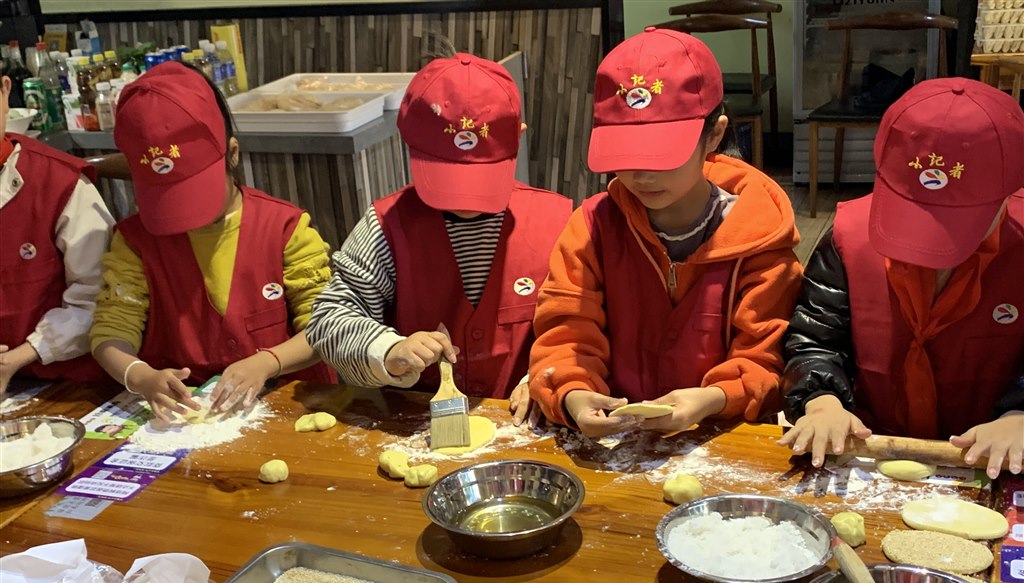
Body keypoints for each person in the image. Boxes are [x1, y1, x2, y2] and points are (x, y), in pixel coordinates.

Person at [528, 27, 802, 438]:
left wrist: (714, 398)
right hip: (613, 437)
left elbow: (764, 360)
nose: (642, 174)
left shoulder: (760, 240)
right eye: (624, 153)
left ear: (715, 134)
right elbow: (565, 334)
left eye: (662, 154)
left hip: (720, 437)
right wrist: (573, 392)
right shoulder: (591, 228)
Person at [305, 53, 573, 425]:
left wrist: (551, 372)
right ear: (408, 143)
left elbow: (585, 324)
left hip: (530, 426)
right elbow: (329, 318)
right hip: (418, 426)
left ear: (518, 136)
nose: (465, 199)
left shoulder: (559, 222)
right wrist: (389, 350)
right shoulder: (386, 226)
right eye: (447, 177)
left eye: (481, 176)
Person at [780, 78, 1024, 479]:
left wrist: (1019, 414)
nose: (932, 247)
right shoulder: (849, 239)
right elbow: (816, 339)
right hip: (868, 454)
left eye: (957, 222)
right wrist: (822, 400)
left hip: (996, 463)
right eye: (915, 212)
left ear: (1010, 189)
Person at [90, 62, 333, 421]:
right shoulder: (134, 242)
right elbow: (112, 329)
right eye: (166, 198)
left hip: (293, 407)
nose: (184, 214)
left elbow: (326, 327)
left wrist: (269, 361)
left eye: (193, 193)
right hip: (188, 415)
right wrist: (140, 376)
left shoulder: (285, 228)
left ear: (232, 154)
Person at [0, 73, 114, 398]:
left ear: (5, 91)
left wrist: (14, 359)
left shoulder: (60, 184)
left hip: (66, 382)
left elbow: (100, 299)